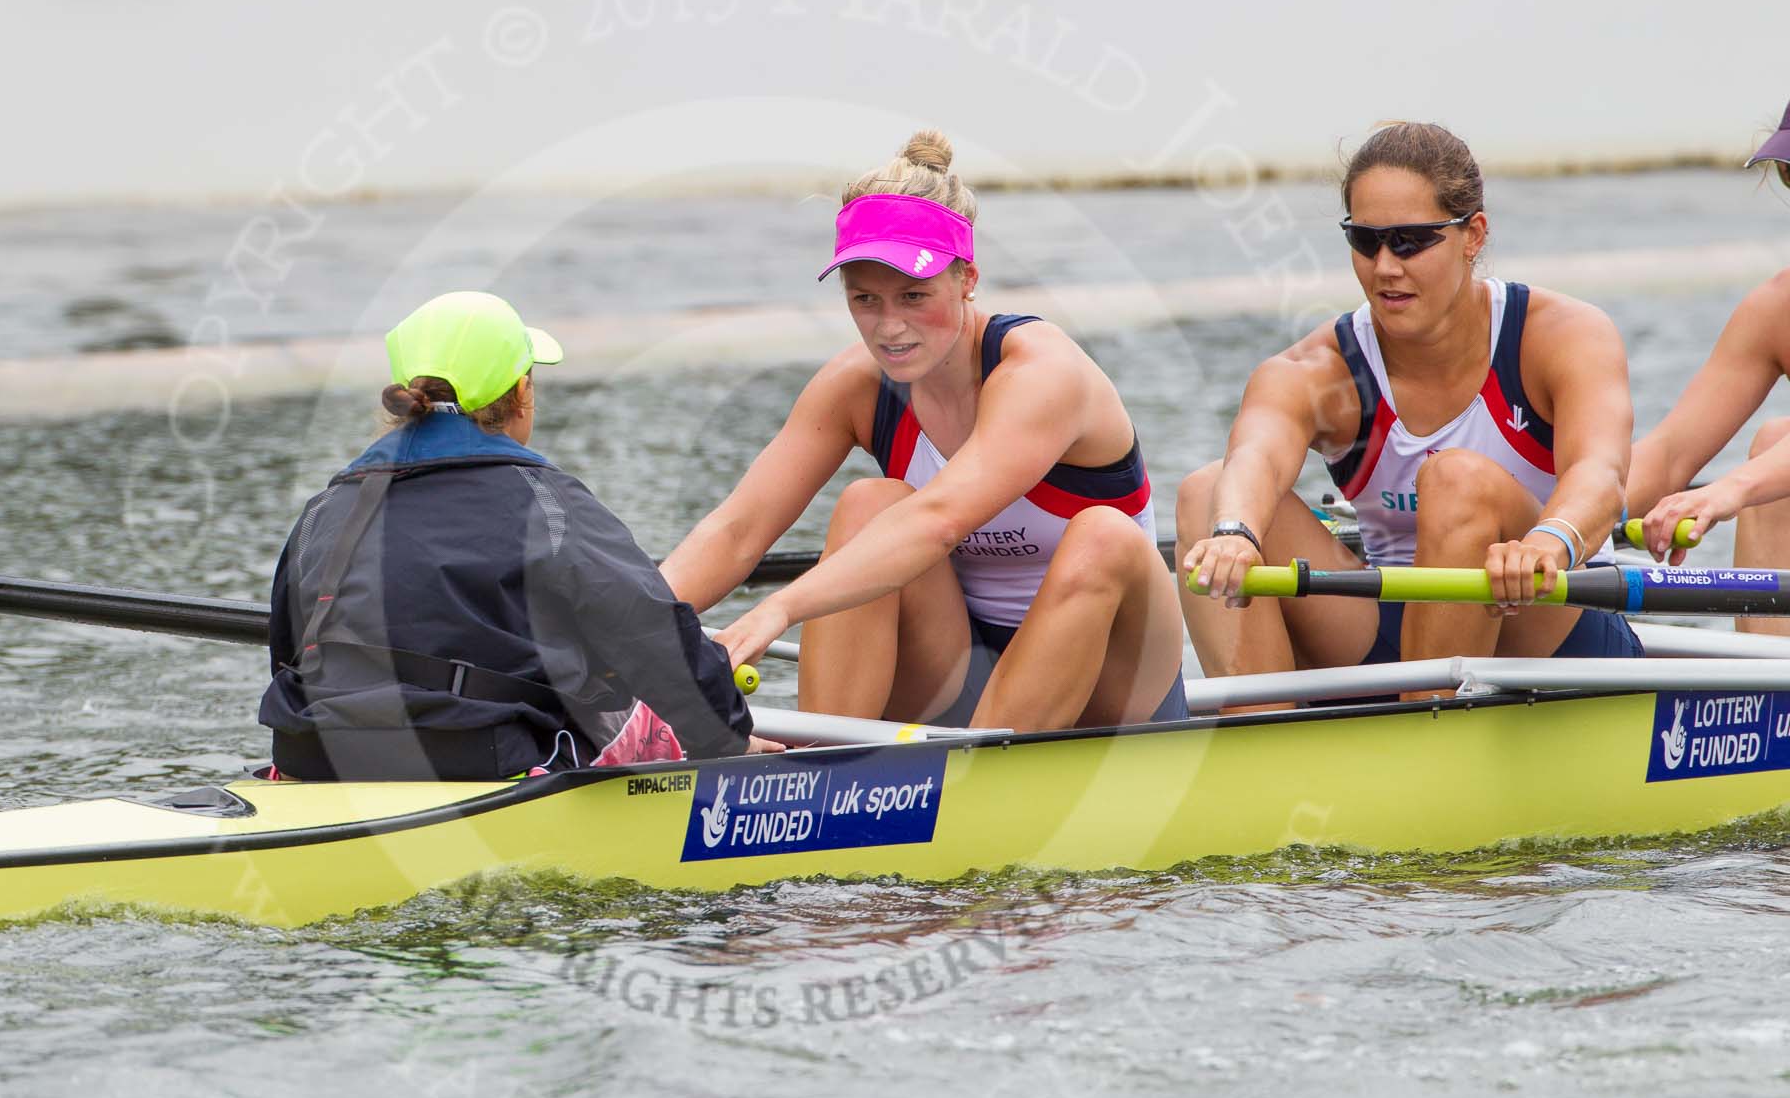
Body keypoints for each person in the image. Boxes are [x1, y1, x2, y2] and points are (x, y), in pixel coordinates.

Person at [661, 130, 1186, 731]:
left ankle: (985, 786)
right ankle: (821, 776)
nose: (890, 328)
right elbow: (736, 530)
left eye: (914, 296)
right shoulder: (856, 386)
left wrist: (776, 609)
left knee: (1102, 536)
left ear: (967, 279)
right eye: (865, 299)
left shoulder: (1041, 372)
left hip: (1117, 675)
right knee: (869, 503)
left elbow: (937, 522)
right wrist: (616, 630)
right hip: (965, 666)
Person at [1177, 121, 1640, 682]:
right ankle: (1257, 739)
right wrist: (1234, 533)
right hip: (1389, 630)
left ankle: (1420, 733)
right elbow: (1256, 456)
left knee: (1456, 479)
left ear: (1473, 236)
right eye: (1365, 241)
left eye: (1410, 241)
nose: (1385, 267)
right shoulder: (1315, 370)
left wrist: (1547, 542)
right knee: (1208, 493)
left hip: (1550, 621)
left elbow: (1601, 473)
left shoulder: (1562, 335)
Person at [259, 291, 771, 781]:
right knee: (620, 711)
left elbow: (288, 650)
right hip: (480, 753)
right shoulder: (550, 504)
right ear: (522, 392)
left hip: (315, 749)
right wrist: (727, 737)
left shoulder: (325, 508)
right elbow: (652, 633)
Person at [1628, 102, 1790, 633]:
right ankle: (1771, 701)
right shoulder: (1775, 310)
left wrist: (1732, 489)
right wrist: (1548, 520)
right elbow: (1669, 453)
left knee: (1773, 446)